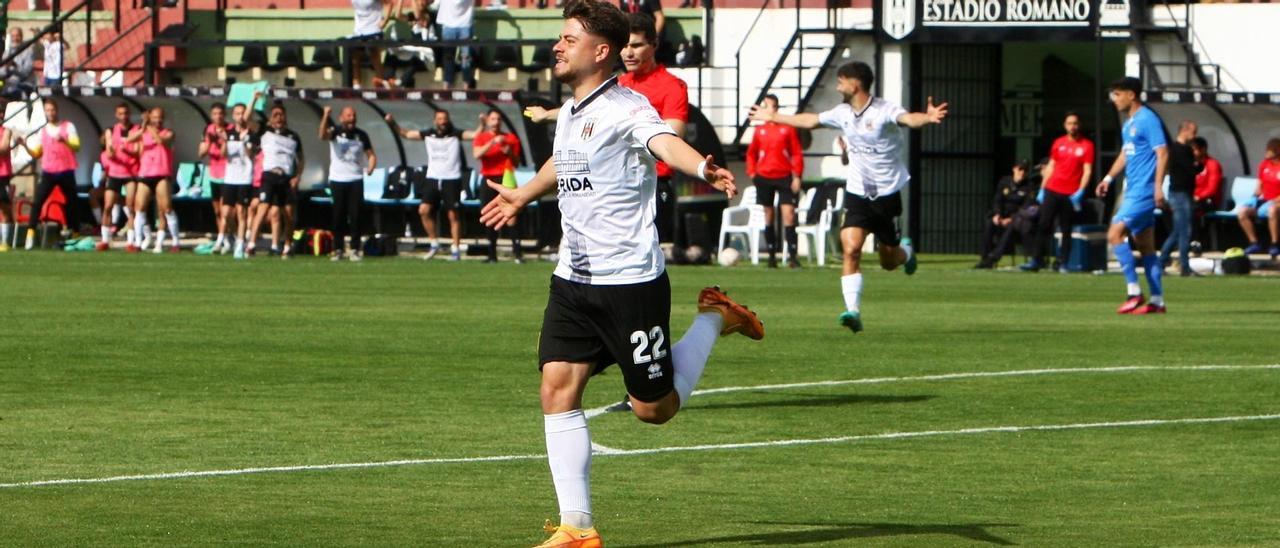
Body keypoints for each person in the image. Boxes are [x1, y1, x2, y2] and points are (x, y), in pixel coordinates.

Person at [477, 3, 763, 545]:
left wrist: (701, 165)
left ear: (599, 51)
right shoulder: (570, 112)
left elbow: (662, 142)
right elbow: (563, 163)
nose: (557, 47)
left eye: (567, 39)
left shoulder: (628, 107)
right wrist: (521, 195)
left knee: (653, 410)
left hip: (630, 282)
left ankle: (715, 317)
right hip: (573, 279)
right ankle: (577, 529)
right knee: (556, 387)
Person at [749, 61, 947, 333]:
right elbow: (811, 120)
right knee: (851, 247)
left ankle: (906, 251)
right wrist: (774, 117)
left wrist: (927, 117)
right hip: (857, 193)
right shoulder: (842, 113)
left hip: (887, 194)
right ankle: (852, 310)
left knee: (888, 261)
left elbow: (909, 119)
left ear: (855, 84)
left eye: (841, 81)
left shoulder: (883, 110)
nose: (837, 86)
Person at [524, 13, 689, 244]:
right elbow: (587, 112)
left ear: (654, 45)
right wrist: (548, 115)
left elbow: (672, 135)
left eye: (637, 45)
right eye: (625, 46)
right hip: (604, 181)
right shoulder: (620, 84)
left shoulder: (672, 86)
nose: (629, 53)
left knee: (638, 256)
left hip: (645, 185)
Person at [1097, 76, 1169, 315]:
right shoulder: (1129, 123)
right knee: (1146, 246)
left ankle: (1134, 292)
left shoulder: (1148, 119)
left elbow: (1163, 153)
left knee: (1115, 234)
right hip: (1134, 190)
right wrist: (1108, 178)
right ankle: (1157, 300)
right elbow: (1126, 154)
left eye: (1117, 94)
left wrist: (1158, 186)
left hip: (1143, 192)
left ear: (1132, 94)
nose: (1114, 99)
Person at [385, 109, 477, 261]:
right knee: (423, 210)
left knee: (453, 214)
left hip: (451, 178)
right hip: (433, 178)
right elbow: (406, 134)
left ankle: (455, 249)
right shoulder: (428, 134)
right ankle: (434, 243)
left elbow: (474, 135)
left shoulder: (455, 134)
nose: (442, 121)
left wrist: (482, 124)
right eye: (440, 119)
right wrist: (392, 123)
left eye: (445, 118)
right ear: (435, 121)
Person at [1021, 111, 1094, 273]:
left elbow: (1087, 170)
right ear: (1065, 126)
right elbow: (1051, 166)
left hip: (1070, 193)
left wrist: (1081, 190)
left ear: (1079, 125)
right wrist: (1042, 188)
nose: (1072, 127)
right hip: (1052, 189)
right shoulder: (1058, 143)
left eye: (1075, 123)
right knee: (1043, 225)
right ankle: (1037, 260)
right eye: (1069, 123)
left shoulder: (1086, 146)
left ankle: (1062, 262)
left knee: (1066, 228)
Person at [746, 93, 804, 268]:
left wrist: (797, 175)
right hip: (764, 177)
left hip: (784, 176)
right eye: (766, 105)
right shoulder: (759, 130)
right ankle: (771, 256)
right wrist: (752, 172)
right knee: (768, 215)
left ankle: (793, 257)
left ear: (776, 108)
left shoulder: (787, 128)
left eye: (771, 105)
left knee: (789, 215)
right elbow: (751, 154)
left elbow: (796, 153)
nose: (768, 109)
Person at [319, 105, 377, 261]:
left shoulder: (361, 135)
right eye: (349, 116)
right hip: (338, 180)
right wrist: (325, 115)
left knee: (356, 215)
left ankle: (355, 249)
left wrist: (371, 166)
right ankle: (338, 249)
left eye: (354, 115)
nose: (352, 119)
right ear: (341, 118)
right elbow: (322, 135)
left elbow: (371, 154)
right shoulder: (335, 132)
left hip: (356, 180)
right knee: (338, 216)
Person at [24, 98, 82, 250]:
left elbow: (77, 146)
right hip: (49, 171)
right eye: (47, 110)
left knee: (72, 203)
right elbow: (37, 153)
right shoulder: (42, 131)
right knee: (38, 202)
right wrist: (25, 146)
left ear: (57, 110)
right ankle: (30, 234)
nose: (50, 113)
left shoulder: (67, 126)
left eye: (52, 110)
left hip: (66, 169)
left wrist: (65, 141)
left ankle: (75, 233)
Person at [249, 101, 304, 258]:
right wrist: (253, 99)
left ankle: (287, 246)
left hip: (286, 177)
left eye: (281, 115)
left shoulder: (293, 136)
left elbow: (301, 159)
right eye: (275, 115)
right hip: (269, 175)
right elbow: (247, 119)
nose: (279, 118)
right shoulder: (265, 131)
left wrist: (297, 177)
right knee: (263, 208)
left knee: (288, 213)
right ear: (271, 119)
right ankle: (251, 244)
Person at [128, 106, 180, 253]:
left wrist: (149, 126)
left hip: (162, 174)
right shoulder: (144, 131)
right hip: (145, 174)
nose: (158, 120)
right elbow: (130, 140)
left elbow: (160, 141)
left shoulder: (169, 133)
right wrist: (143, 127)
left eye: (160, 117)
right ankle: (138, 242)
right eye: (155, 117)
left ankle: (174, 242)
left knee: (166, 208)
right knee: (139, 207)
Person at [473, 108, 522, 263]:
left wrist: (509, 152)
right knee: (489, 214)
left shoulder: (511, 138)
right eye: (493, 119)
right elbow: (477, 154)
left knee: (511, 215)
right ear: (487, 121)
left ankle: (517, 253)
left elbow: (517, 162)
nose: (496, 122)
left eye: (499, 119)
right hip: (488, 179)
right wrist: (492, 142)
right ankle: (492, 254)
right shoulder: (482, 138)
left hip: (506, 177)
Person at [975, 160, 1037, 269]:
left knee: (1012, 226)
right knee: (989, 224)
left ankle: (994, 257)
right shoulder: (1004, 182)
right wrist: (997, 214)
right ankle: (984, 258)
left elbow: (1026, 207)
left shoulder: (1029, 186)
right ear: (1014, 169)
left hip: (1016, 220)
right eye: (1020, 169)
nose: (1022, 172)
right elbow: (997, 200)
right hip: (1001, 217)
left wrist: (1011, 218)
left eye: (1025, 170)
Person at [1159, 120, 1198, 276]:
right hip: (1179, 193)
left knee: (1177, 231)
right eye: (1193, 132)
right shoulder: (1176, 150)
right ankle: (1184, 266)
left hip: (1185, 193)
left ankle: (1161, 261)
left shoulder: (1185, 150)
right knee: (1185, 231)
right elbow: (1189, 169)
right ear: (1185, 131)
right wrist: (1196, 164)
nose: (1194, 136)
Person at [99, 103, 139, 251]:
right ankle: (105, 240)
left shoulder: (136, 130)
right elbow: (109, 149)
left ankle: (130, 241)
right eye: (121, 114)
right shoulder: (110, 130)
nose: (124, 116)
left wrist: (127, 152)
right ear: (117, 115)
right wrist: (111, 152)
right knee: (108, 206)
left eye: (126, 113)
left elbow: (138, 152)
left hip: (130, 173)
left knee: (130, 206)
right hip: (114, 172)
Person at [221, 102, 257, 260]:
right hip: (230, 178)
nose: (240, 116)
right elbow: (224, 155)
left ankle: (240, 244)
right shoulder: (228, 133)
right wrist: (223, 141)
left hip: (244, 178)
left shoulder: (251, 133)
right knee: (227, 213)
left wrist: (244, 142)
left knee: (242, 212)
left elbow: (251, 155)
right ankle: (235, 235)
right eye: (237, 113)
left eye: (242, 113)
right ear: (233, 116)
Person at [199, 103, 235, 254]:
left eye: (220, 113)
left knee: (225, 211)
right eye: (215, 114)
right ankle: (228, 238)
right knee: (218, 212)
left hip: (228, 175)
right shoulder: (208, 130)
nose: (218, 116)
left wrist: (223, 140)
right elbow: (201, 154)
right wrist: (210, 141)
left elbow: (226, 154)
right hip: (213, 174)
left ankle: (222, 240)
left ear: (224, 114)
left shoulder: (231, 129)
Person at [1237, 138, 1280, 260]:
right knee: (1242, 212)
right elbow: (1259, 186)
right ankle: (1254, 243)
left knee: (1272, 210)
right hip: (1264, 200)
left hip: (1277, 201)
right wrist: (1254, 199)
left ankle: (1275, 244)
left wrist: (1275, 200)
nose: (1267, 151)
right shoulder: (1264, 165)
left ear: (1277, 150)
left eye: (1270, 149)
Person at [349, 0, 391, 88]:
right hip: (358, 31)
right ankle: (356, 87)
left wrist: (385, 21)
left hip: (373, 30)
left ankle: (381, 87)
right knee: (355, 59)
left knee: (375, 57)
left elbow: (389, 3)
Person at [436, 0, 476, 90]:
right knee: (448, 57)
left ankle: (466, 86)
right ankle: (447, 84)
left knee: (466, 57)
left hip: (465, 24)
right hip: (448, 24)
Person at [1190, 136, 1221, 250]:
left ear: (1203, 149)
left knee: (1193, 208)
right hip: (1194, 199)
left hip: (1209, 200)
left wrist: (1198, 197)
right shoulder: (1192, 165)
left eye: (1195, 149)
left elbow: (1212, 188)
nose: (1192, 153)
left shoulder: (1212, 164)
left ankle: (1196, 241)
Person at [0, 113, 19, 251]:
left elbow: (4, 147)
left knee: (4, 207)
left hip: (2, 174)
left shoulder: (6, 130)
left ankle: (5, 241)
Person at [1, 28, 35, 98]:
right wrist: (6, 67)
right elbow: (2, 72)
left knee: (12, 91)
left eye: (17, 36)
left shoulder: (28, 51)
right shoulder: (7, 51)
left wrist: (15, 65)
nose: (15, 38)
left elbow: (25, 73)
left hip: (24, 83)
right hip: (9, 84)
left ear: (21, 37)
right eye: (13, 36)